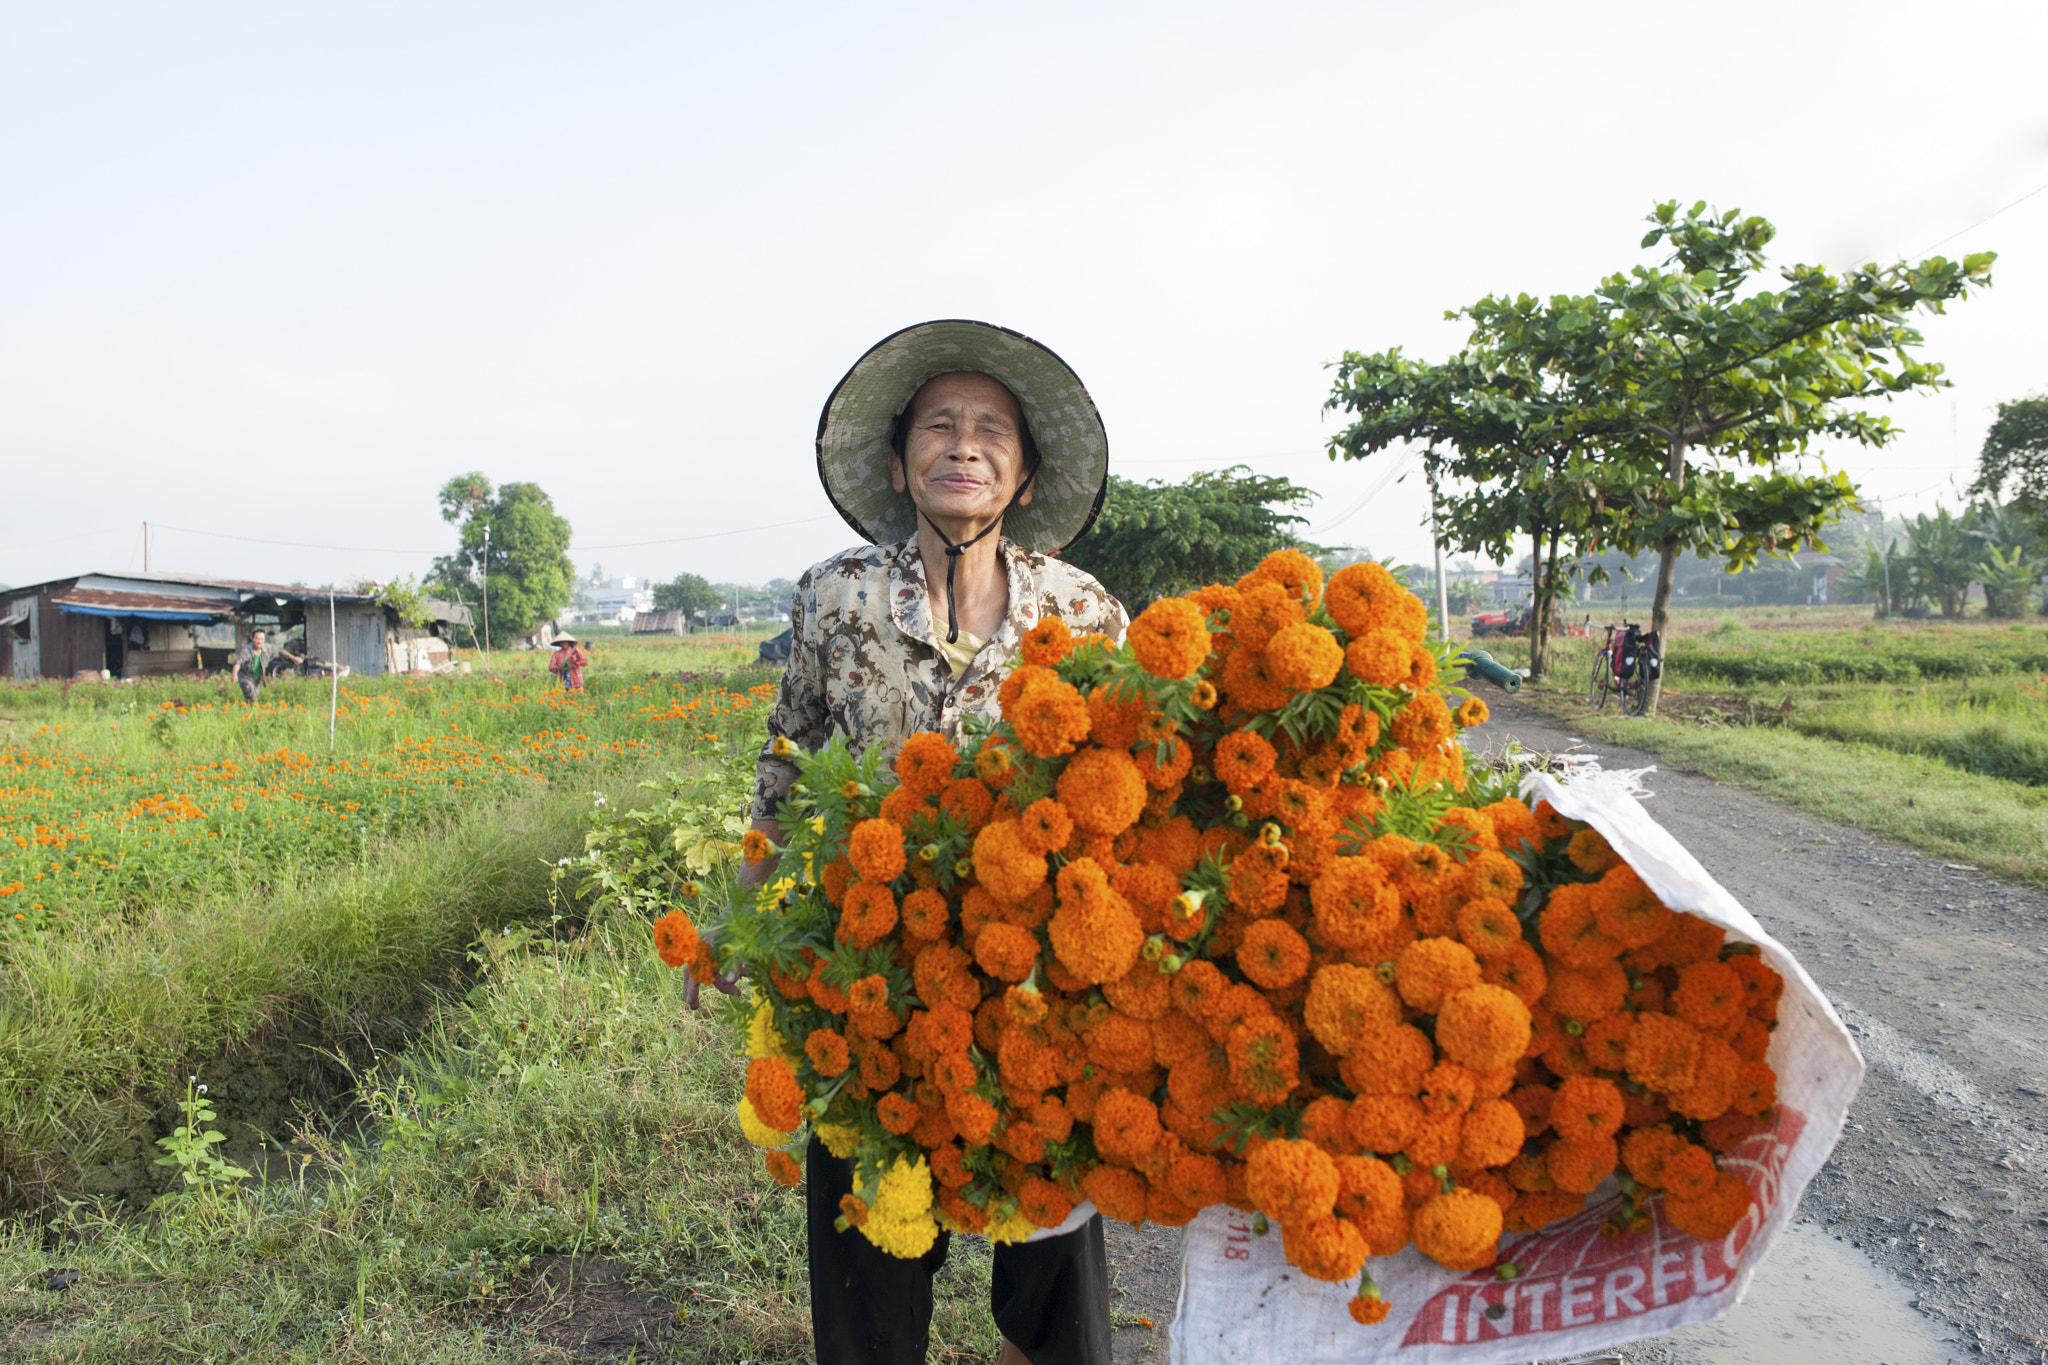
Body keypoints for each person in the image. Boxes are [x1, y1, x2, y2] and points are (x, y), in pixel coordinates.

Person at [732, 320, 1125, 1365]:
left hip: (1034, 976)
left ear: (1025, 473)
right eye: (939, 427)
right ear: (901, 460)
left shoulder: (1081, 611)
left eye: (990, 430)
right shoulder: (836, 595)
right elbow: (785, 763)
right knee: (868, 1254)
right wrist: (743, 917)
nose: (964, 445)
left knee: (1055, 1252)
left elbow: (1131, 782)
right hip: (865, 972)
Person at [231, 627, 301, 703]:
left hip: (256, 679)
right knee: (251, 695)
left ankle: (244, 711)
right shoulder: (247, 651)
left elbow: (280, 651)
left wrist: (293, 657)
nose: (259, 641)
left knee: (253, 699)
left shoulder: (267, 648)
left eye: (262, 639)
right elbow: (238, 662)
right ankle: (249, 711)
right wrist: (234, 675)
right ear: (252, 638)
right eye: (257, 639)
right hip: (245, 677)